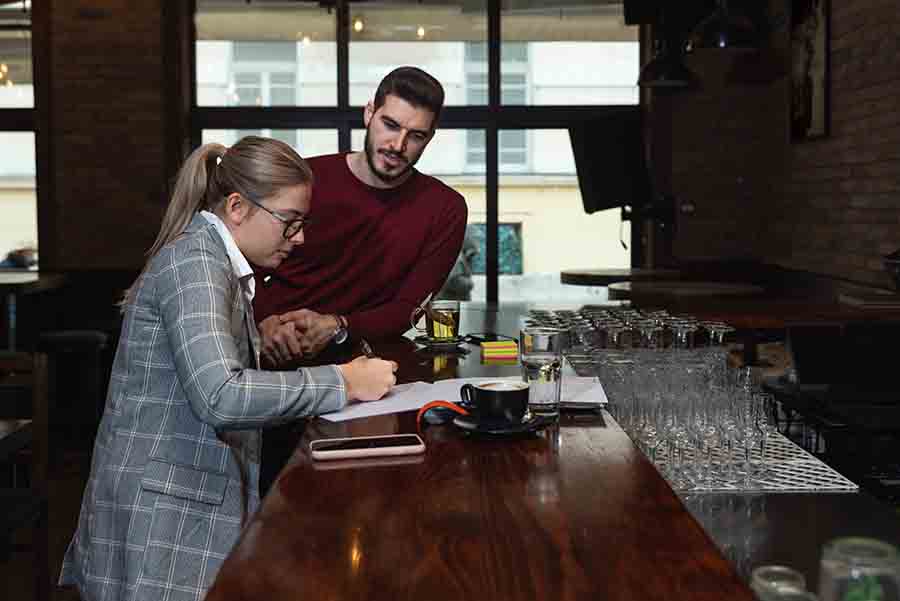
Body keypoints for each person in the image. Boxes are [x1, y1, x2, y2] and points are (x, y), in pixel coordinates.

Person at [59, 136, 398, 601]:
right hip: (162, 516)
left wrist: (255, 339)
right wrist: (343, 381)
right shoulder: (197, 263)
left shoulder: (210, 258)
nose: (299, 238)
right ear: (237, 207)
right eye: (290, 222)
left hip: (174, 504)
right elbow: (220, 395)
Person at [254, 66, 467, 366]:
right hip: (268, 352)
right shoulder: (305, 179)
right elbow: (240, 264)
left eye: (416, 135)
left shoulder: (445, 208)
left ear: (430, 138)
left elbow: (408, 309)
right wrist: (263, 320)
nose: (398, 145)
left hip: (368, 367)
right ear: (369, 113)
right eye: (390, 125)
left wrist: (339, 325)